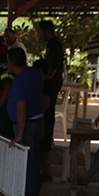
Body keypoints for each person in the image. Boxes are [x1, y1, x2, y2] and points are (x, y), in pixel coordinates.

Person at [6, 47, 45, 196]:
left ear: (11, 64)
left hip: (27, 126)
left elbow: (21, 110)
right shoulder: (35, 73)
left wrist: (20, 134)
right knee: (35, 159)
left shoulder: (20, 81)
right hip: (39, 121)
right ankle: (35, 193)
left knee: (28, 162)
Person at [39, 20, 65, 182]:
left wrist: (47, 79)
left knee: (47, 117)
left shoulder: (55, 45)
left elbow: (54, 65)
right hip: (50, 81)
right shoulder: (52, 44)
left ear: (46, 31)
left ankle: (46, 171)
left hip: (52, 82)